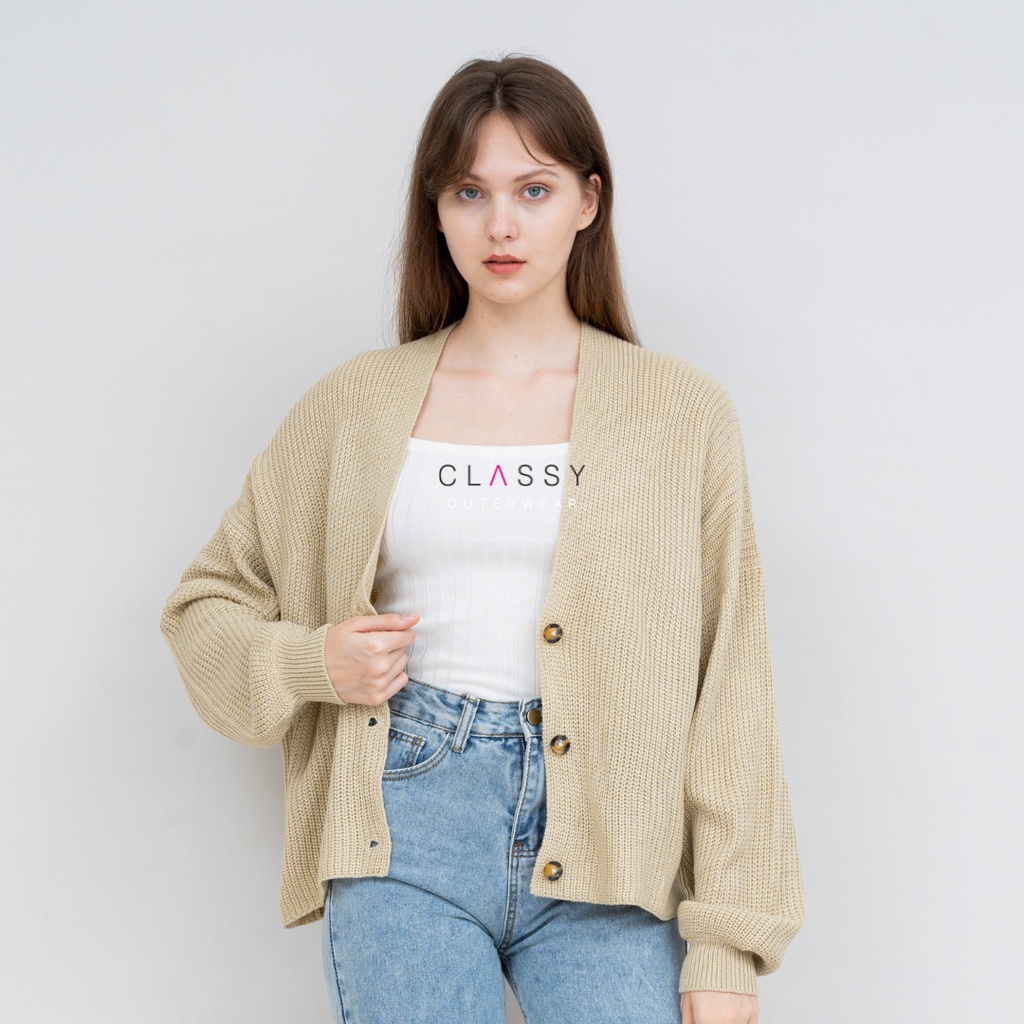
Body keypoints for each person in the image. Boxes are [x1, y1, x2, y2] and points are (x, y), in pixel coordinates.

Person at [160, 53, 805, 1024]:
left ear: (588, 202)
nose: (501, 225)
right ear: (436, 209)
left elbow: (732, 681)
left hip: (613, 846)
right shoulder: (355, 405)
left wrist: (728, 941)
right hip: (405, 820)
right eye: (469, 192)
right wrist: (311, 661)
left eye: (533, 190)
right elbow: (204, 607)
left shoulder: (679, 413)